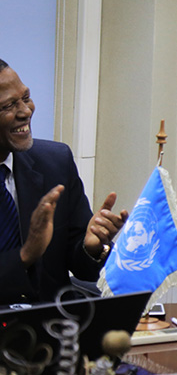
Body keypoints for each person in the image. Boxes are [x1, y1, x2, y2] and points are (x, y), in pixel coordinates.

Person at [0, 58, 128, 305]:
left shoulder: (55, 162)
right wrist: (25, 255)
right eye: (8, 106)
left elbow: (83, 268)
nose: (25, 111)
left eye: (26, 98)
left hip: (53, 332)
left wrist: (91, 246)